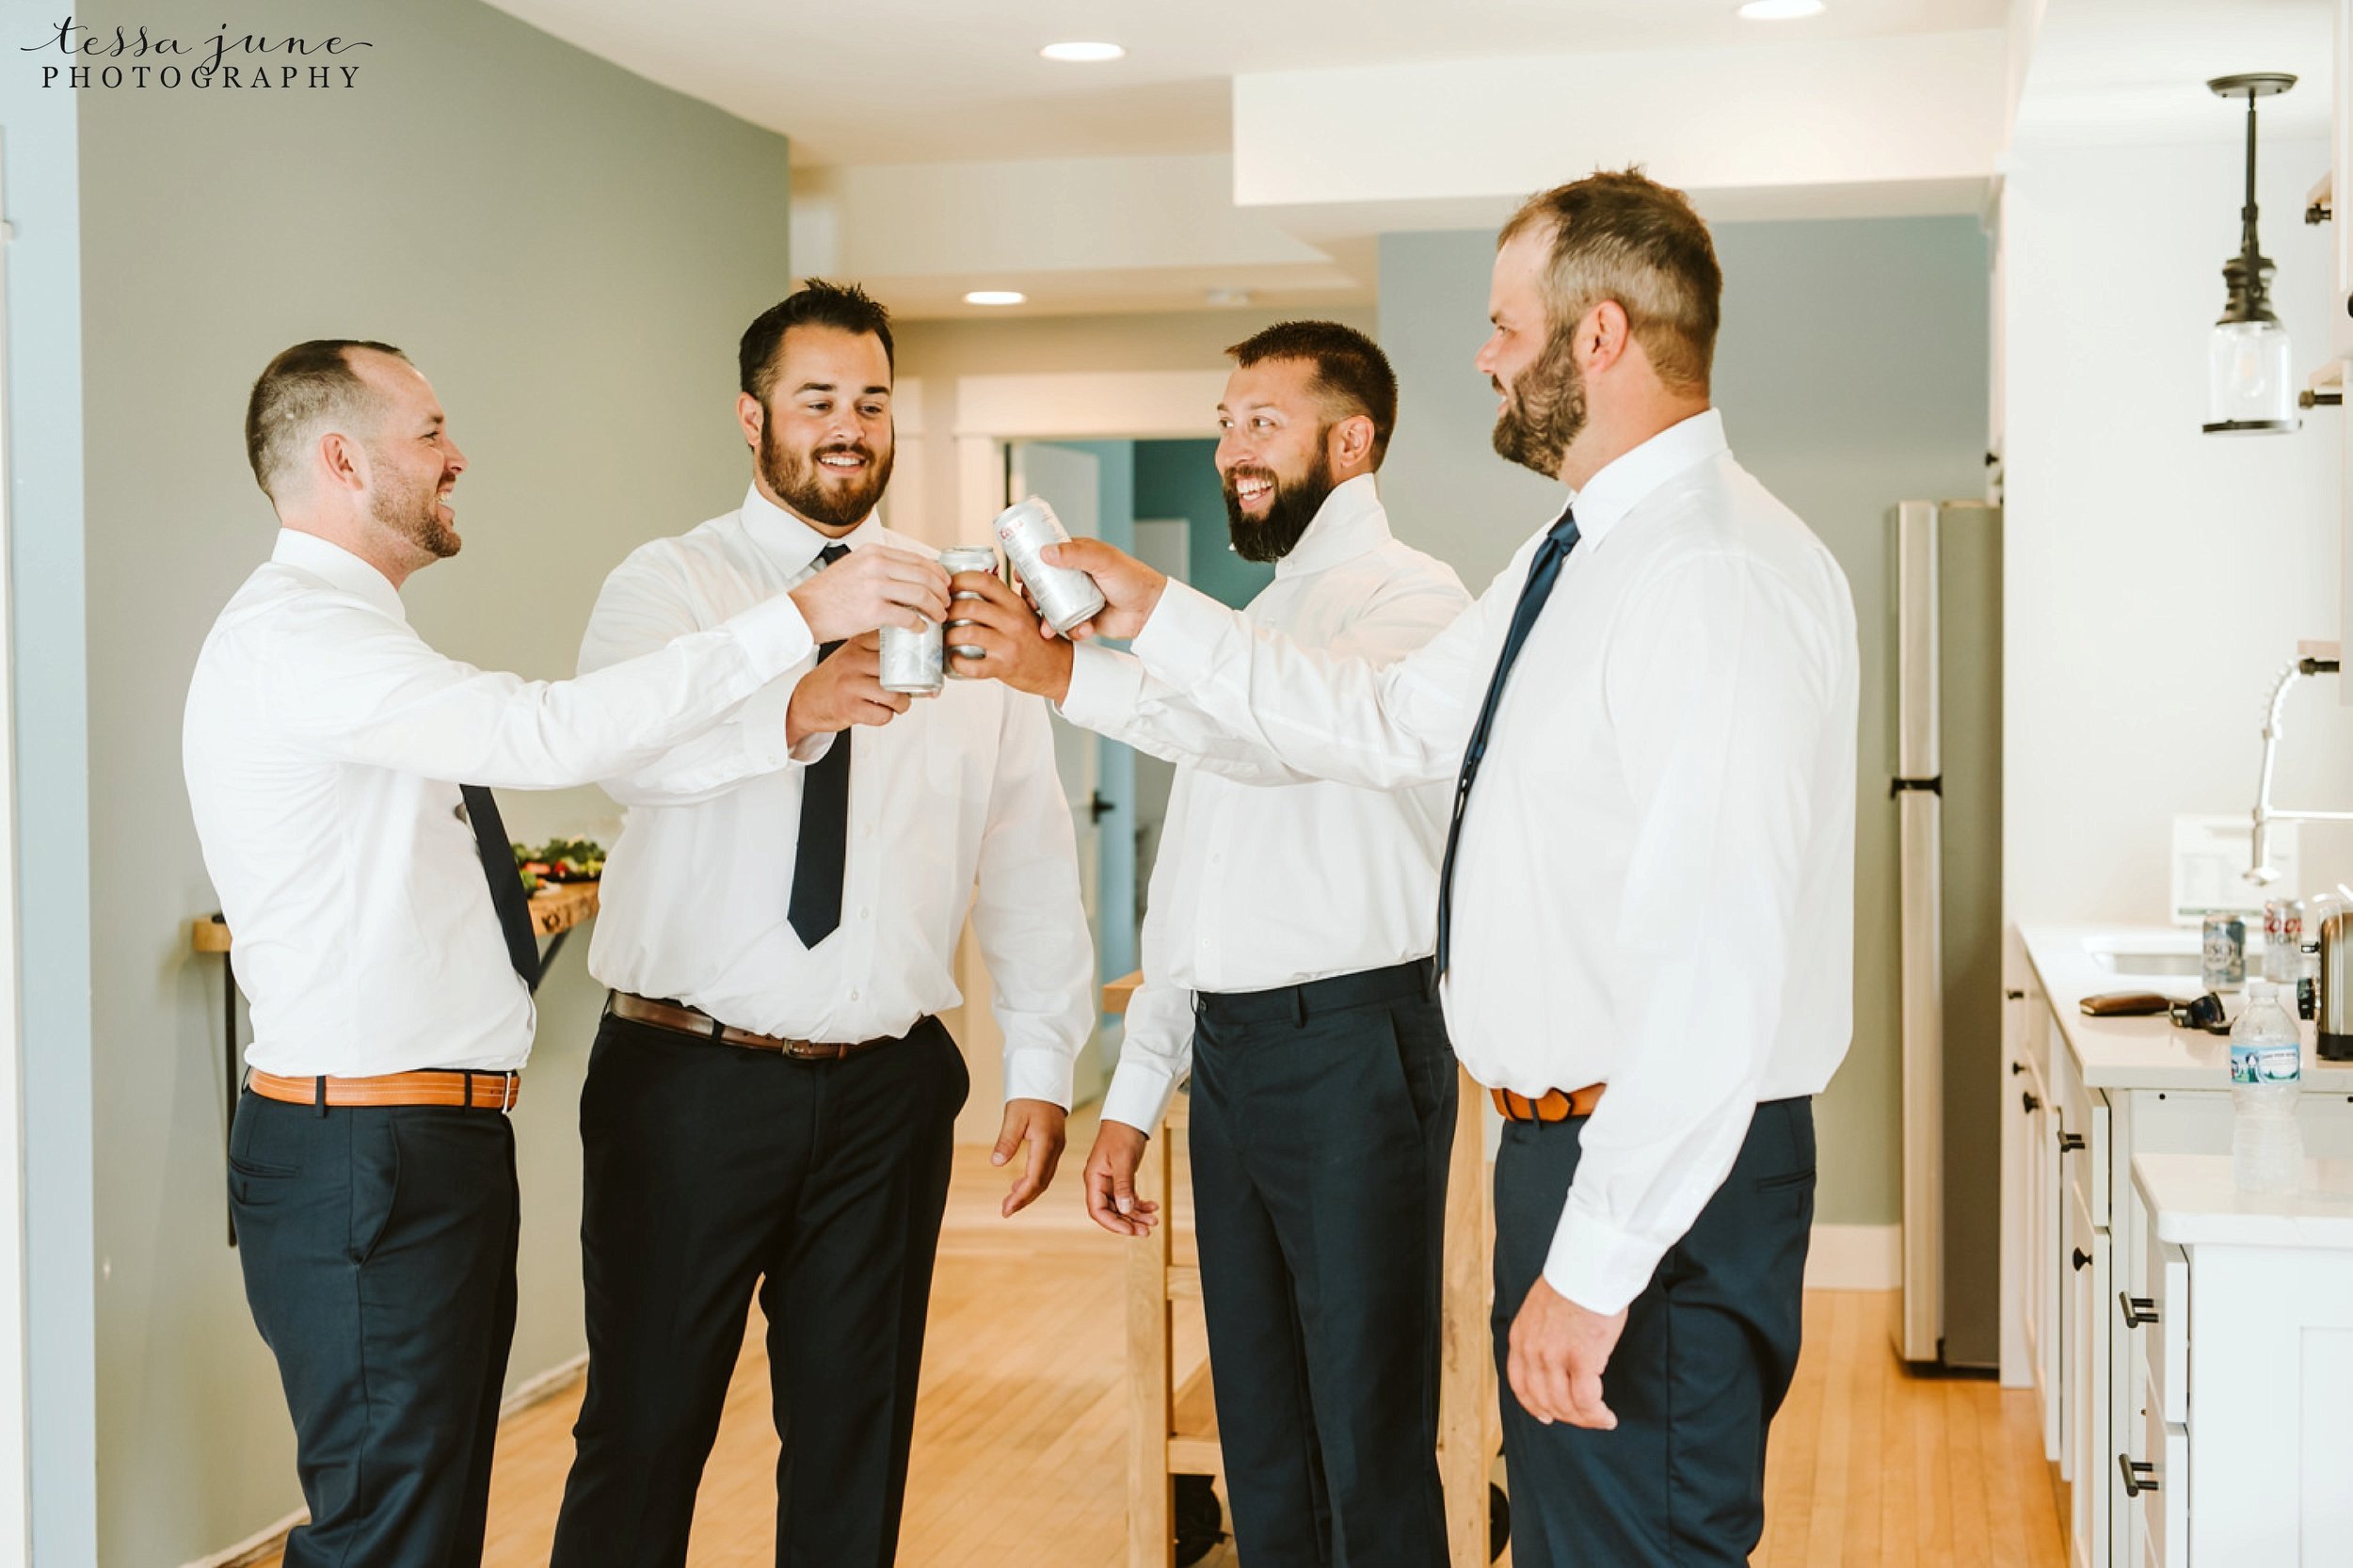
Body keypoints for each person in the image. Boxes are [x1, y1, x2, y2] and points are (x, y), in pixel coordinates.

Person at [1019, 170, 1861, 1567]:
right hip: (1566, 1146)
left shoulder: (1707, 575)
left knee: (1632, 1547)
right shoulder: (1576, 551)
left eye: (1503, 323)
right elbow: (1384, 720)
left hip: (1653, 1168)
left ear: (1594, 338)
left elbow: (1720, 961)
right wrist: (1146, 619)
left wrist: (1592, 1267)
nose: (1481, 354)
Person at [184, 339, 943, 1568]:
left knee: (423, 1526)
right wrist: (797, 621)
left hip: (418, 1147)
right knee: (391, 1535)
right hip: (369, 1154)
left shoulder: (352, 636)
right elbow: (552, 731)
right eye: (428, 432)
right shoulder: (302, 640)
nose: (457, 454)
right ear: (341, 457)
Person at [547, 280, 1094, 1568]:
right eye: (815, 401)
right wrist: (791, 703)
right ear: (752, 418)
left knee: (856, 1452)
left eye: (869, 401)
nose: (847, 427)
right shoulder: (673, 582)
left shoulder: (970, 611)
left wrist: (1043, 1057)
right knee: (642, 1437)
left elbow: (1027, 848)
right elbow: (621, 749)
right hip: (685, 1081)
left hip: (885, 1099)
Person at [953, 319, 1470, 1566]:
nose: (1232, 446)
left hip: (1359, 1041)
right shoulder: (1259, 617)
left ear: (1353, 440)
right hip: (1233, 1056)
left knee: (1367, 1420)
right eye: (1226, 420)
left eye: (1263, 421)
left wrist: (1113, 650)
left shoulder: (1416, 601)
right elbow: (1201, 873)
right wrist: (1139, 1085)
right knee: (1259, 1430)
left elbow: (1288, 735)